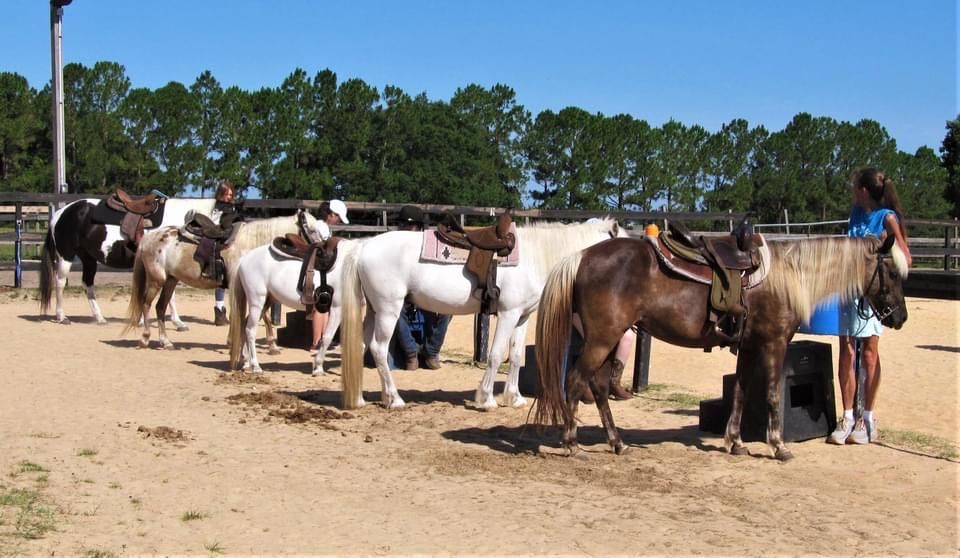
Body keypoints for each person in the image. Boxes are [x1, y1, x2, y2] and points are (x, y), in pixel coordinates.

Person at [827, 168, 912, 445]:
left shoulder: (886, 217)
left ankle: (868, 417)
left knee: (869, 355)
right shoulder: (855, 212)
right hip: (848, 290)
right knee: (847, 351)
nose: (853, 190)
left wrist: (883, 262)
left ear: (864, 189)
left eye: (855, 186)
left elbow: (905, 257)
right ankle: (848, 415)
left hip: (871, 294)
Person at [392, 205, 451, 370]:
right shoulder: (392, 247)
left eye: (408, 225)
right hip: (401, 293)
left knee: (447, 309)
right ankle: (411, 353)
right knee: (394, 310)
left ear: (418, 227)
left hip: (423, 291)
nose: (404, 228)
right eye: (402, 224)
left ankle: (431, 351)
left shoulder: (428, 247)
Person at [309, 199, 349, 353]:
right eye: (337, 217)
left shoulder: (323, 227)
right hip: (320, 268)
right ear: (331, 214)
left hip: (320, 267)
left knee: (324, 306)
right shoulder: (322, 227)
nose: (338, 221)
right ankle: (316, 341)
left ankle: (323, 339)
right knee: (320, 307)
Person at [212, 180, 243, 326]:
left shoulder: (233, 209)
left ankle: (223, 311)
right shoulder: (216, 207)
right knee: (221, 276)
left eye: (231, 194)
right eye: (227, 194)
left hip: (230, 244)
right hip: (219, 240)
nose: (229, 197)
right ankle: (219, 310)